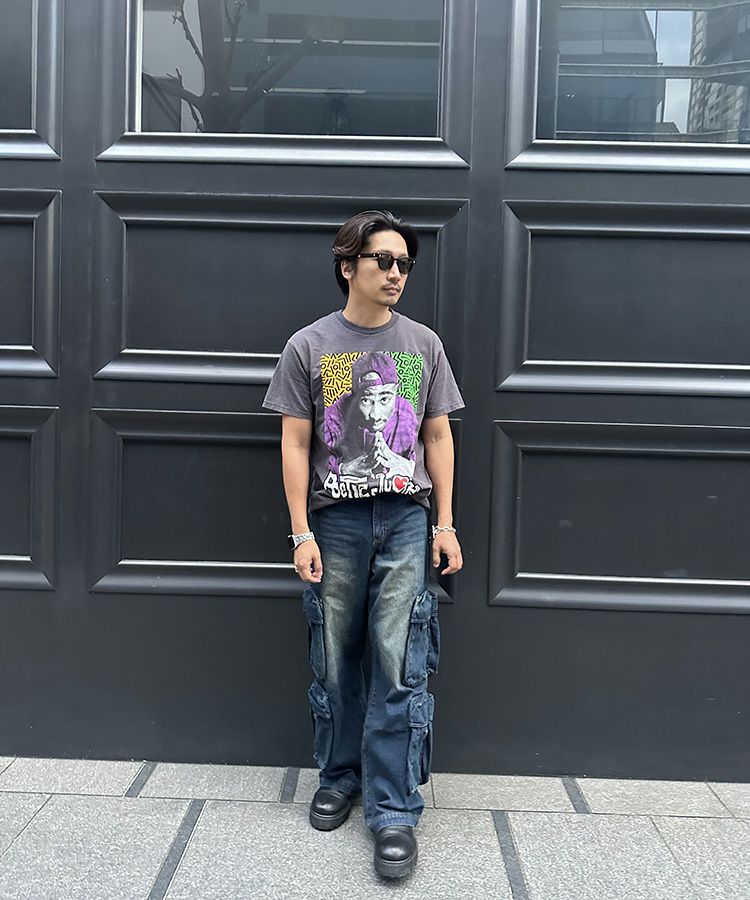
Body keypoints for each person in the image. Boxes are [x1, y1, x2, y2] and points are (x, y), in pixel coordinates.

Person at [262, 209, 464, 879]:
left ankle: (394, 809)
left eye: (404, 263)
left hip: (406, 519)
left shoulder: (423, 344)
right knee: (333, 657)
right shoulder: (309, 346)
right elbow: (295, 444)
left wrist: (444, 524)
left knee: (399, 661)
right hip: (336, 523)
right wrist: (300, 531)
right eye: (384, 260)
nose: (396, 273)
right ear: (348, 266)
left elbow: (438, 435)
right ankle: (339, 776)